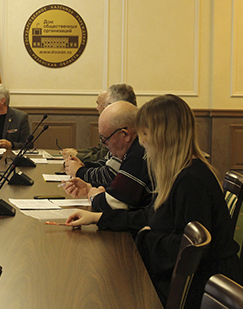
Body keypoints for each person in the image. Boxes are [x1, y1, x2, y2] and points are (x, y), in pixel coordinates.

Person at [66, 94, 242, 308]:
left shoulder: (191, 181)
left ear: (163, 136)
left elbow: (186, 249)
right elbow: (150, 216)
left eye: (145, 134)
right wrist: (98, 218)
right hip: (187, 279)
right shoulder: (177, 173)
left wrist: (144, 236)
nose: (142, 142)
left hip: (202, 289)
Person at [63, 101, 152, 211]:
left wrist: (94, 197)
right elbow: (121, 190)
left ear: (125, 135)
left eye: (105, 139)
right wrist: (88, 188)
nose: (104, 145)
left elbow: (113, 205)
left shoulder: (138, 153)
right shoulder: (132, 149)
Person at [61, 83, 137, 162]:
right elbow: (100, 150)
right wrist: (76, 153)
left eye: (99, 104)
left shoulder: (119, 126)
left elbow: (102, 157)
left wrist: (77, 155)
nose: (97, 108)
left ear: (111, 106)